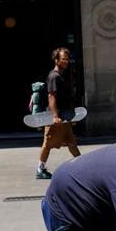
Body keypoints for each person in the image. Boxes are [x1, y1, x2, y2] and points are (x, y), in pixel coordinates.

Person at [36, 48, 81, 180]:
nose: (66, 61)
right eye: (63, 59)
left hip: (64, 117)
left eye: (67, 59)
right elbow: (51, 96)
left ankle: (83, 165)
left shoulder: (62, 75)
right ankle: (40, 168)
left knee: (72, 142)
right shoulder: (53, 76)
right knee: (47, 143)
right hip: (55, 117)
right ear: (56, 60)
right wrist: (55, 116)